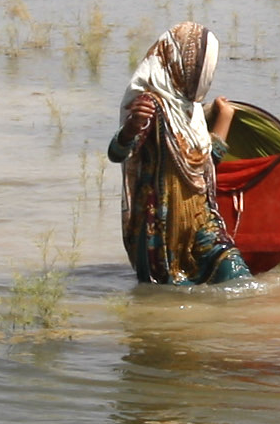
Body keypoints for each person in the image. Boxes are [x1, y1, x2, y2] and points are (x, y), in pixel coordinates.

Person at [108, 22, 252, 287]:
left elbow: (204, 165)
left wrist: (225, 117)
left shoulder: (192, 110)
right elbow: (117, 154)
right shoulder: (151, 105)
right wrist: (130, 129)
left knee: (238, 277)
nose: (204, 76)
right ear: (180, 63)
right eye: (200, 67)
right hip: (161, 232)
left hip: (202, 221)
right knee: (170, 300)